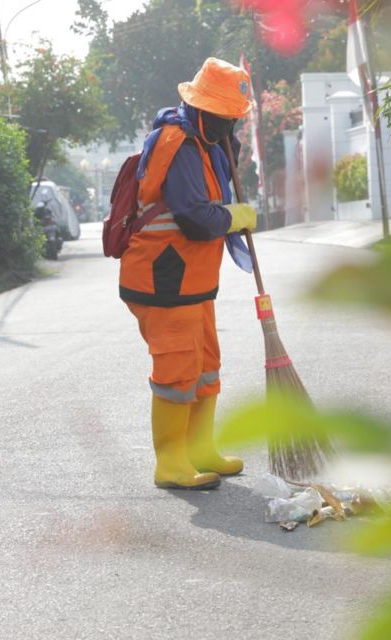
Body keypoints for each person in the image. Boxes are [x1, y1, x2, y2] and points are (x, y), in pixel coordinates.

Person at [119, 58, 258, 490]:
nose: (227, 126)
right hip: (163, 280)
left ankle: (200, 449)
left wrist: (228, 146)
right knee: (178, 371)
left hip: (190, 283)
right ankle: (171, 463)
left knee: (205, 367)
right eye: (223, 118)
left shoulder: (204, 143)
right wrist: (234, 216)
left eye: (233, 120)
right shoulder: (177, 144)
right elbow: (195, 218)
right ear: (201, 109)